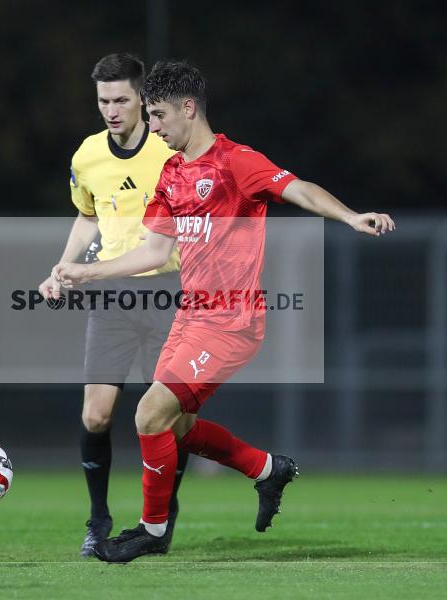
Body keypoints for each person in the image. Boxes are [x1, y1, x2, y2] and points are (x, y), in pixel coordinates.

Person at [53, 60, 395, 563]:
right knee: (177, 428)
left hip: (232, 321)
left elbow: (296, 188)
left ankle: (151, 530)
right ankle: (267, 469)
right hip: (191, 316)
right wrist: (85, 271)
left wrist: (349, 215)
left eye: (160, 115)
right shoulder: (172, 172)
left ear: (188, 109)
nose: (155, 126)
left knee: (149, 415)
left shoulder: (235, 161)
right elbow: (152, 252)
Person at [37, 53, 189, 557]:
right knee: (97, 416)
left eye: (122, 99)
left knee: (169, 416)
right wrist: (62, 266)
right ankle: (98, 519)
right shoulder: (87, 155)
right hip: (112, 300)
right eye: (104, 100)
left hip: (170, 293)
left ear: (143, 100)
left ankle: (160, 520)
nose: (112, 110)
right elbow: (87, 216)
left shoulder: (171, 150)